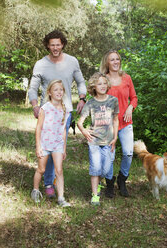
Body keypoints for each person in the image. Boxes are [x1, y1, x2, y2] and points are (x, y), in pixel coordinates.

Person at [28, 30, 87, 198]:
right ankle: (48, 182)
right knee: (47, 145)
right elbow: (33, 88)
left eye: (58, 44)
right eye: (52, 45)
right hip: (46, 112)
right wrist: (34, 105)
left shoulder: (72, 61)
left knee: (58, 145)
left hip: (65, 112)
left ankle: (52, 181)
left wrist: (82, 98)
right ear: (48, 45)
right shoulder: (40, 64)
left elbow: (81, 81)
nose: (55, 48)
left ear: (62, 45)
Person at [100, 50, 138, 197]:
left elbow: (134, 97)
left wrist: (130, 107)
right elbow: (97, 98)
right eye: (112, 60)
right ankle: (110, 182)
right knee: (109, 156)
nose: (115, 62)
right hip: (108, 125)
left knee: (128, 153)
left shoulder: (127, 78)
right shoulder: (104, 79)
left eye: (117, 59)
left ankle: (122, 179)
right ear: (107, 63)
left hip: (126, 122)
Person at [77, 72, 119, 205]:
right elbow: (79, 122)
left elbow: (116, 120)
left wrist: (115, 137)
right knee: (95, 168)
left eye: (104, 83)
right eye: (99, 83)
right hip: (94, 141)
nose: (102, 86)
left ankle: (100, 183)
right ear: (93, 86)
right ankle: (95, 195)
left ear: (108, 85)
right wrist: (84, 131)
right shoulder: (90, 103)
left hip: (108, 141)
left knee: (106, 170)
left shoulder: (113, 101)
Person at [31, 80, 71, 207]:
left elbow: (64, 130)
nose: (59, 92)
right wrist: (38, 146)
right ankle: (35, 190)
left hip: (57, 145)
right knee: (41, 169)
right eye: (55, 90)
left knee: (59, 170)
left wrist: (64, 148)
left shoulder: (65, 109)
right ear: (49, 92)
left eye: (61, 89)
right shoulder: (45, 108)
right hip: (45, 144)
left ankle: (61, 198)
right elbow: (38, 128)